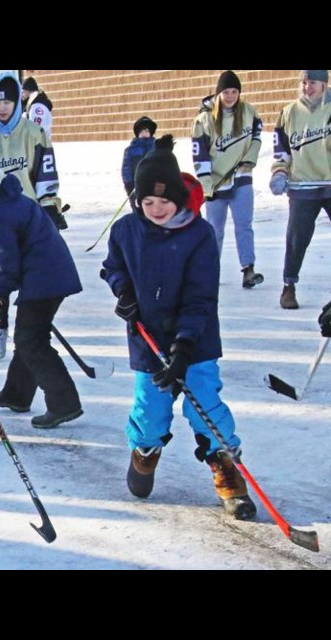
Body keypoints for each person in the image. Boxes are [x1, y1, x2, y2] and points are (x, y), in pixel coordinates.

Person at [101, 135, 256, 520]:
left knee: (204, 402)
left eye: (164, 201)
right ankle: (146, 448)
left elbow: (200, 297)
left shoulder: (199, 236)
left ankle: (226, 467)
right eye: (147, 202)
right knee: (151, 409)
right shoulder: (125, 231)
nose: (156, 209)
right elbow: (113, 267)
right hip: (147, 337)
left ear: (179, 198)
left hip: (196, 337)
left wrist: (185, 345)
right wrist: (123, 293)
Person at [0, 145, 83, 428]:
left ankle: (64, 403)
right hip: (47, 274)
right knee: (28, 337)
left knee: (31, 340)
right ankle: (18, 394)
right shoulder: (4, 200)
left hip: (45, 279)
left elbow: (5, 267)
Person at [0, 70, 66, 230]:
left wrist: (50, 207)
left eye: (7, 102)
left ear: (17, 101)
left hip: (28, 216)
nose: (2, 108)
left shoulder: (35, 133)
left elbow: (46, 177)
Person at [192, 70, 264, 289]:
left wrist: (248, 161)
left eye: (234, 91)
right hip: (216, 183)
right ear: (219, 93)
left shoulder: (248, 112)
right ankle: (210, 270)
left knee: (244, 224)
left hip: (241, 178)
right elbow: (199, 153)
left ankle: (248, 269)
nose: (231, 96)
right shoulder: (204, 119)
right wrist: (206, 184)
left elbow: (257, 138)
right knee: (215, 229)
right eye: (226, 92)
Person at [270, 70, 331, 310]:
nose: (307, 88)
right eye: (304, 83)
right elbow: (281, 150)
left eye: (313, 82)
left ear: (324, 84)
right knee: (296, 239)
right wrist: (279, 172)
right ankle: (289, 286)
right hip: (302, 185)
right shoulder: (289, 113)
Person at [121, 116, 156, 197]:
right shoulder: (130, 150)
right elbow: (126, 169)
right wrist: (129, 184)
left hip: (154, 186)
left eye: (147, 131)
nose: (144, 134)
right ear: (137, 134)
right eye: (141, 132)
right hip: (136, 187)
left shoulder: (156, 148)